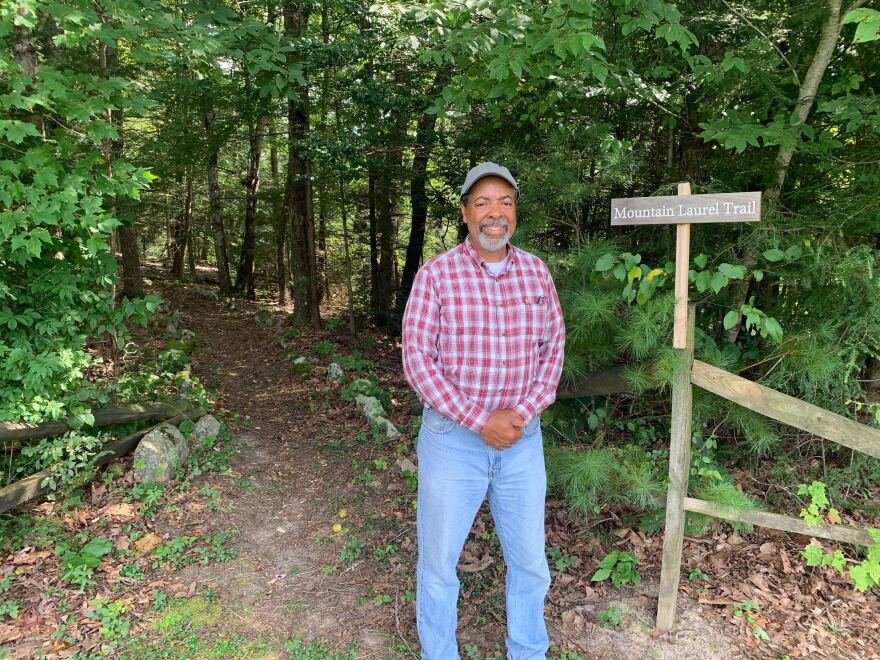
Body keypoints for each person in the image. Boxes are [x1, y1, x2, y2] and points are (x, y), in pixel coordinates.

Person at [401, 162, 566, 659]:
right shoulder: (436, 275)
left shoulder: (537, 272)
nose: (495, 214)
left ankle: (528, 650)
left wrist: (522, 412)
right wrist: (480, 419)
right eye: (483, 203)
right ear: (466, 213)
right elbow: (417, 360)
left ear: (515, 212)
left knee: (531, 561)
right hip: (453, 441)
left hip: (522, 441)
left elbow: (553, 348)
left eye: (505, 203)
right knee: (438, 564)